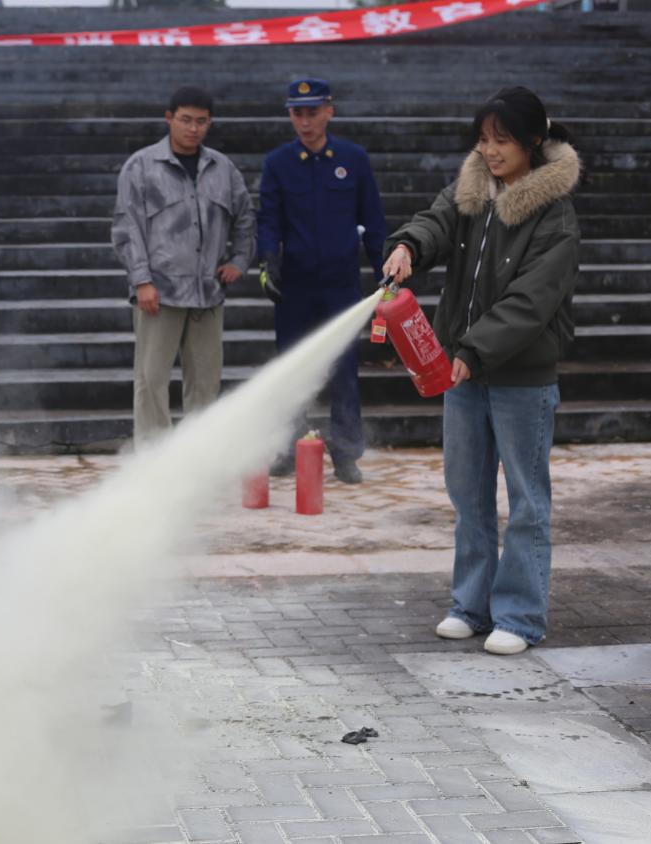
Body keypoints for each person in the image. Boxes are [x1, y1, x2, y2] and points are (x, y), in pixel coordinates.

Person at [382, 87, 580, 656]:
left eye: (503, 140)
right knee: (467, 494)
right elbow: (435, 222)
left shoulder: (555, 216)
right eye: (484, 139)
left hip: (520, 377)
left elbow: (531, 302)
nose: (490, 151)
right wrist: (408, 247)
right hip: (463, 373)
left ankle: (519, 616)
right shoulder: (471, 190)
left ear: (533, 140)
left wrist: (471, 351)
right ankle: (470, 605)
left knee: (526, 500)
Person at [257, 79, 387, 484]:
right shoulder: (278, 163)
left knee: (344, 370)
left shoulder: (353, 159)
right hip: (295, 286)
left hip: (340, 285)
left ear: (329, 111)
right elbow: (268, 219)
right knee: (291, 368)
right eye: (297, 113)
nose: (305, 121)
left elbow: (374, 220)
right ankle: (287, 448)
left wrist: (384, 272)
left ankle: (346, 453)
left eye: (312, 112)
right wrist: (268, 261)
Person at [112, 86, 256, 448]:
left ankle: (197, 459)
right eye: (186, 120)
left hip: (208, 293)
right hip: (158, 294)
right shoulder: (141, 167)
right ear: (169, 118)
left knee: (206, 384)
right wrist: (141, 280)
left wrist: (239, 260)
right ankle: (154, 461)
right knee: (151, 380)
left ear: (210, 123)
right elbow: (127, 228)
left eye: (201, 122)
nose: (193, 128)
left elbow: (245, 218)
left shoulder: (222, 169)